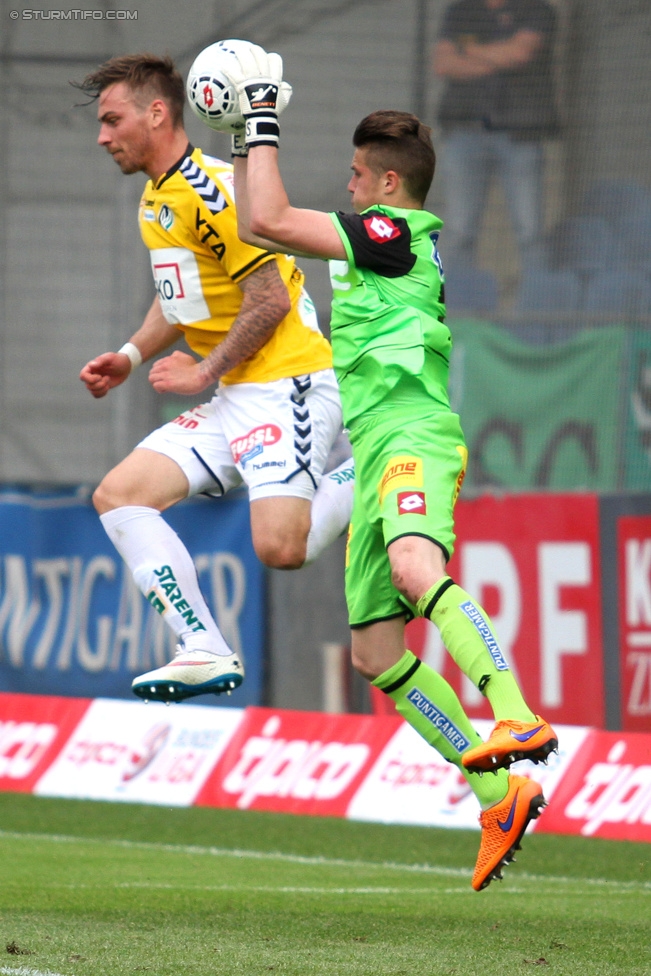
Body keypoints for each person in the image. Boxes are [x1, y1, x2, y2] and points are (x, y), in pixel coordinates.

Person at [225, 45, 557, 891]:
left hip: (412, 430)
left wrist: (259, 116)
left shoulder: (386, 232)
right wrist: (239, 136)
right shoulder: (377, 239)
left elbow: (266, 221)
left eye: (353, 173)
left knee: (416, 566)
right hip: (371, 449)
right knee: (376, 654)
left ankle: (514, 716)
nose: (345, 185)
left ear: (384, 187)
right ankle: (497, 793)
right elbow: (253, 217)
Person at [77, 54, 354, 704]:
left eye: (112, 119)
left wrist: (201, 369)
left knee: (281, 550)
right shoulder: (157, 194)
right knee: (119, 496)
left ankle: (366, 467)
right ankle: (201, 647)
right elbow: (183, 299)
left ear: (157, 112)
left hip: (287, 382)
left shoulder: (210, 192)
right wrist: (131, 354)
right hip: (236, 394)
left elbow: (269, 300)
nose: (102, 136)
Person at [433, 0, 559, 271]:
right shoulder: (461, 11)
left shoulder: (536, 10)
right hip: (464, 132)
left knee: (530, 232)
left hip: (519, 135)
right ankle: (459, 310)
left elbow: (519, 54)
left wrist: (468, 51)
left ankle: (536, 309)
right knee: (460, 231)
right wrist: (498, 57)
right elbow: (444, 63)